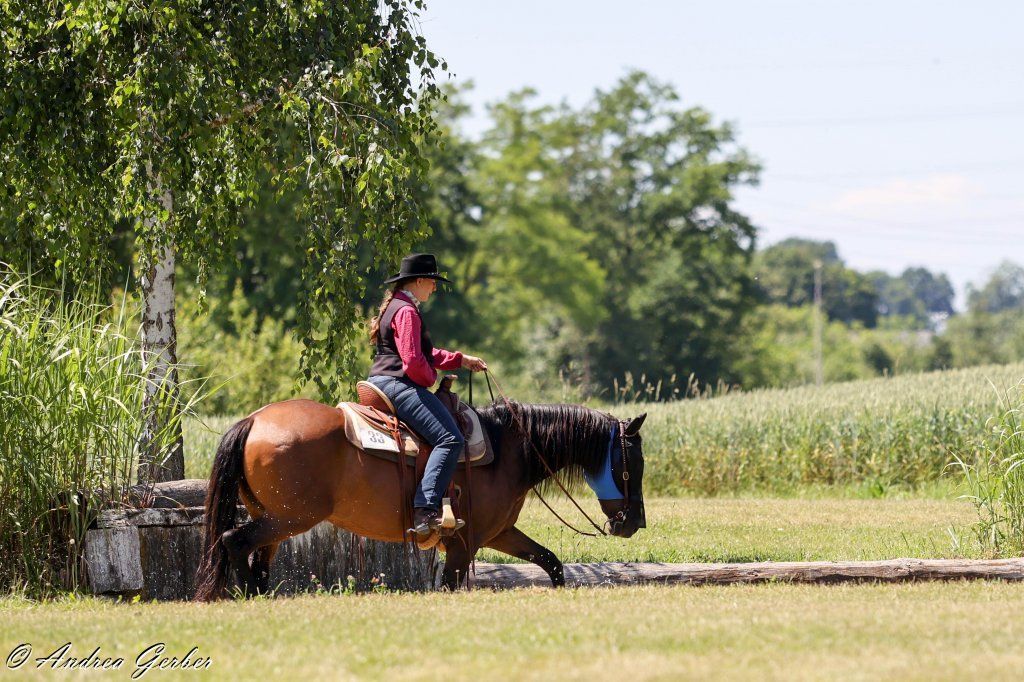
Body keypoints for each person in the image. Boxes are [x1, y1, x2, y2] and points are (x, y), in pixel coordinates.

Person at [367, 253, 487, 538]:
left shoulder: (397, 306)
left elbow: (425, 354)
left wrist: (460, 359)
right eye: (432, 282)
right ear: (419, 281)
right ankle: (425, 507)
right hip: (398, 384)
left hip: (383, 381)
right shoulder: (408, 312)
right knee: (450, 438)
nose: (434, 287)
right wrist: (432, 379)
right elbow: (412, 361)